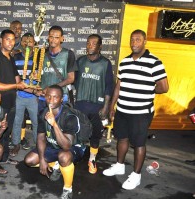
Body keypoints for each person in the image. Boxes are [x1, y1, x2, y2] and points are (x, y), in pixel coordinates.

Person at [103, 29, 169, 190]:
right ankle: (119, 165)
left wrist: (147, 90)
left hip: (141, 112)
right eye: (132, 40)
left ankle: (136, 175)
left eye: (138, 40)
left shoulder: (155, 62)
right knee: (122, 138)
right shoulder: (124, 62)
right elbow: (118, 86)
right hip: (123, 110)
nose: (134, 43)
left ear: (145, 41)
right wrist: (112, 106)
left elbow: (164, 87)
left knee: (139, 143)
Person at [24, 85, 85, 199]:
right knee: (29, 160)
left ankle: (68, 188)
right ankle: (55, 163)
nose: (51, 100)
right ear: (45, 97)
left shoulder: (69, 116)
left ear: (61, 99)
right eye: (48, 96)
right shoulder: (43, 112)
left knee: (64, 156)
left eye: (55, 97)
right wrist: (42, 159)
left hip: (73, 148)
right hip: (53, 146)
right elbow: (41, 137)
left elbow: (66, 145)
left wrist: (54, 124)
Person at [0, 29, 27, 174]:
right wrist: (17, 86)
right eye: (7, 39)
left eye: (13, 39)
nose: (11, 42)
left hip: (11, 103)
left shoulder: (10, 59)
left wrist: (34, 87)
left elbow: (18, 81)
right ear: (1, 40)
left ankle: (3, 158)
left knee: (5, 133)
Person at [75, 34, 114, 174]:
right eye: (88, 43)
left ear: (100, 47)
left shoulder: (105, 63)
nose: (90, 46)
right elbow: (72, 81)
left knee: (96, 135)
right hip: (80, 105)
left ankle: (92, 159)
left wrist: (106, 107)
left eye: (93, 43)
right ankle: (75, 156)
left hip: (97, 107)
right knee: (77, 133)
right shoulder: (80, 61)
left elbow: (109, 86)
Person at [10, 32, 38, 156]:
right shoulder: (15, 57)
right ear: (21, 43)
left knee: (36, 122)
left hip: (34, 96)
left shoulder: (39, 58)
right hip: (19, 95)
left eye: (30, 41)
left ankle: (38, 145)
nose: (27, 44)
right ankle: (16, 144)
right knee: (17, 120)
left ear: (34, 43)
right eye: (25, 41)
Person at [37, 25, 77, 112]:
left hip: (61, 97)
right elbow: (38, 73)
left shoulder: (68, 54)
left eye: (56, 37)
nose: (53, 40)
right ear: (48, 37)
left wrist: (50, 89)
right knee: (41, 123)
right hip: (43, 97)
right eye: (51, 37)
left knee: (60, 123)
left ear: (62, 39)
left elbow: (71, 78)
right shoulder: (41, 52)